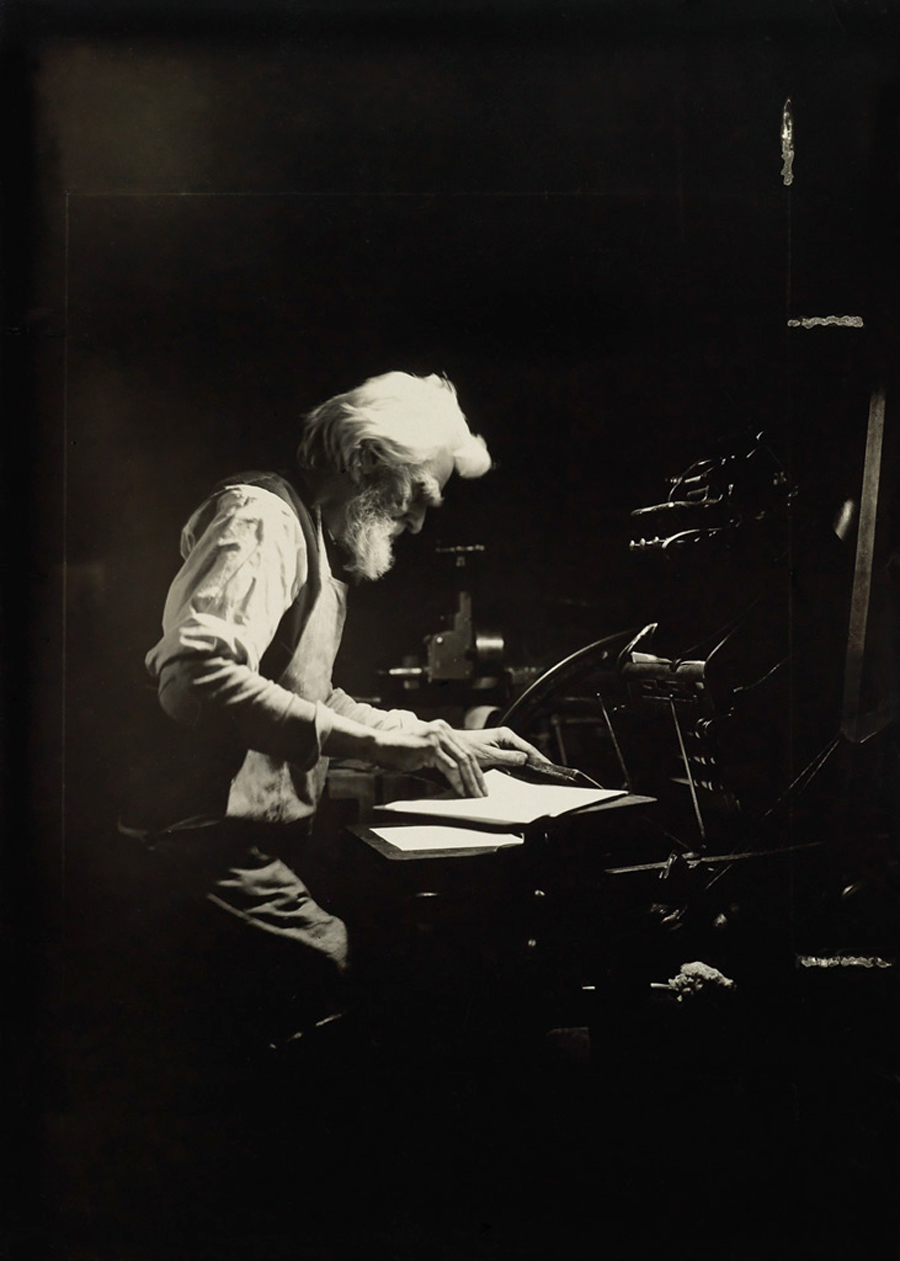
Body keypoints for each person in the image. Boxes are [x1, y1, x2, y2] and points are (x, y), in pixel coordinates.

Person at [130, 369, 545, 1053]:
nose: (418, 521)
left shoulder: (318, 550)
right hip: (196, 848)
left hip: (243, 851)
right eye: (419, 493)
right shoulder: (262, 519)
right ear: (363, 458)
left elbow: (310, 702)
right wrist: (386, 748)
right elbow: (195, 677)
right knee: (351, 980)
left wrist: (432, 735)